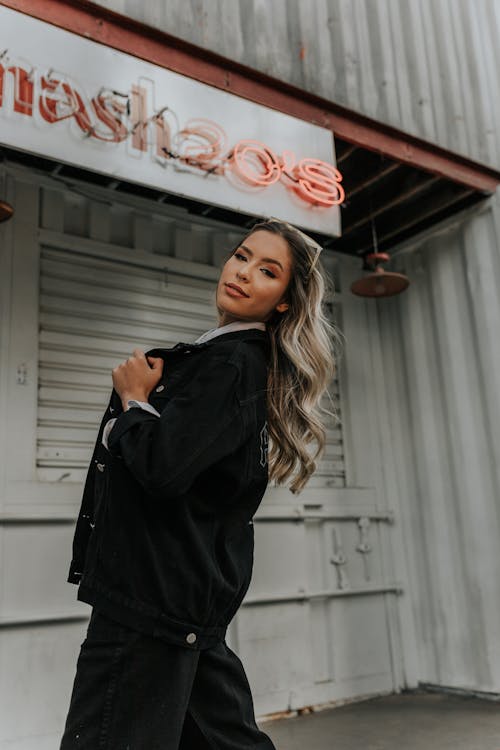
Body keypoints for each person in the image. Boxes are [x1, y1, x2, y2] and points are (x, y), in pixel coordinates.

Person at [59, 217, 343, 749]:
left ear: (284, 300)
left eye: (267, 271)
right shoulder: (230, 360)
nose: (242, 273)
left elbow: (163, 468)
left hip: (152, 598)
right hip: (181, 593)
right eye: (241, 256)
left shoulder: (233, 363)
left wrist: (134, 401)